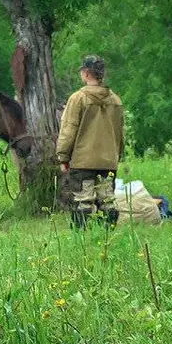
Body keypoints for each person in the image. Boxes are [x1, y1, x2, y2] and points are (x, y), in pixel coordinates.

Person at [56, 54, 125, 229]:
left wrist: (63, 156)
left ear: (86, 74)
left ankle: (80, 242)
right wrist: (118, 155)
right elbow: (119, 132)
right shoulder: (115, 100)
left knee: (83, 201)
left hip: (83, 161)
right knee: (107, 200)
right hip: (108, 161)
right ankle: (107, 238)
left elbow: (68, 129)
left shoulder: (78, 98)